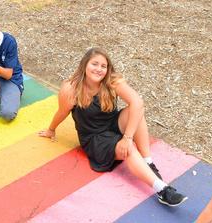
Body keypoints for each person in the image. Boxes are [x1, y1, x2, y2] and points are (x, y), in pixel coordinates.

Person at [38, 47, 187, 207]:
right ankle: (163, 190)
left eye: (104, 66)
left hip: (112, 123)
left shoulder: (111, 81)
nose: (99, 69)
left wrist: (127, 138)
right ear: (84, 65)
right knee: (129, 150)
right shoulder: (71, 88)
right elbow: (62, 112)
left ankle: (147, 161)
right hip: (95, 138)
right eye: (95, 64)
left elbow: (138, 102)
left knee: (136, 111)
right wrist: (51, 129)